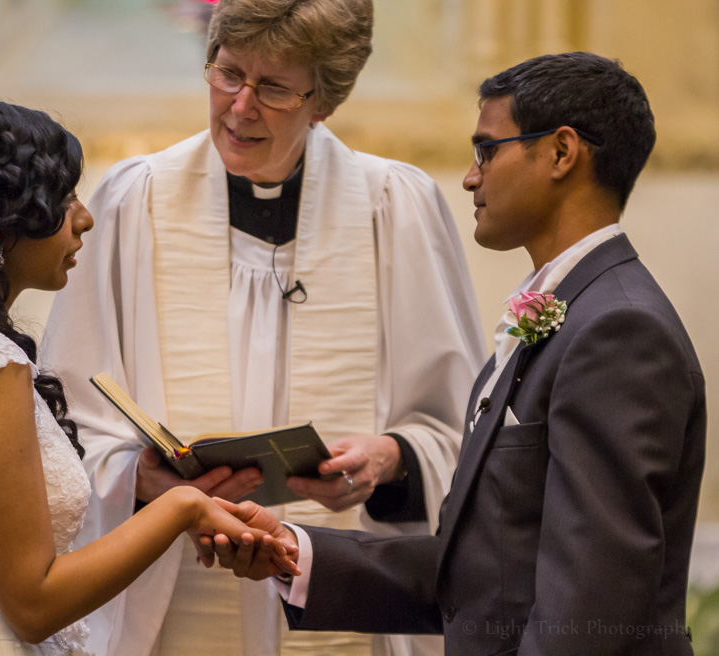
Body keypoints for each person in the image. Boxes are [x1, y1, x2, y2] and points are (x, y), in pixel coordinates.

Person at [207, 52, 707, 655]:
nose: (471, 177)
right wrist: (294, 549)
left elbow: (589, 603)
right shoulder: (568, 309)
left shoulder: (619, 329)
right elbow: (485, 572)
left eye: (487, 150)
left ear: (561, 152)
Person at [40, 0, 486, 654]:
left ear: (324, 100)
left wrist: (387, 461)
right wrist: (147, 480)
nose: (239, 107)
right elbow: (66, 416)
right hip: (174, 608)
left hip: (345, 607)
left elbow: (461, 436)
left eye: (273, 88)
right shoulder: (136, 201)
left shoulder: (396, 208)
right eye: (226, 74)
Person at [0, 99, 296, 656]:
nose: (85, 217)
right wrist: (181, 507)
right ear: (4, 222)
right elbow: (33, 605)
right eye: (64, 198)